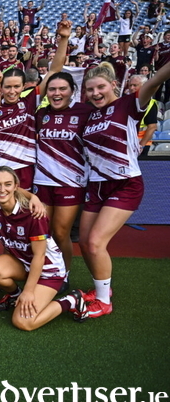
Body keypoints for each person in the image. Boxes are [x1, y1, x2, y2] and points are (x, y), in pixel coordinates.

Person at [79, 60, 170, 317]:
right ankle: (103, 290)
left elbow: (153, 82)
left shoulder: (129, 104)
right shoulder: (89, 114)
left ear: (113, 85)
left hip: (125, 183)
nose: (95, 93)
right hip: (96, 185)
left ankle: (104, 303)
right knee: (85, 243)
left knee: (96, 242)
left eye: (100, 87)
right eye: (90, 89)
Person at [0, 166, 89, 330]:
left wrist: (29, 291)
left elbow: (39, 257)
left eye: (7, 184)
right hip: (23, 263)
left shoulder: (33, 213)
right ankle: (15, 296)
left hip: (48, 270)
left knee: (23, 322)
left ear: (16, 186)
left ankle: (72, 300)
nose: (2, 189)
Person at [0, 21, 71, 190]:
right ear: (1, 87)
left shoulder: (30, 101)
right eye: (7, 87)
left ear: (23, 87)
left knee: (23, 213)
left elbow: (54, 70)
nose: (11, 91)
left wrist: (64, 39)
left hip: (24, 167)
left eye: (16, 86)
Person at [34, 72, 94, 274]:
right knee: (43, 233)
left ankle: (64, 274)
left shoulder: (85, 112)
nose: (56, 93)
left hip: (71, 183)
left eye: (62, 89)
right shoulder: (41, 114)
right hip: (42, 182)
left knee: (61, 233)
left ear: (72, 91)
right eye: (52, 89)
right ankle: (45, 271)